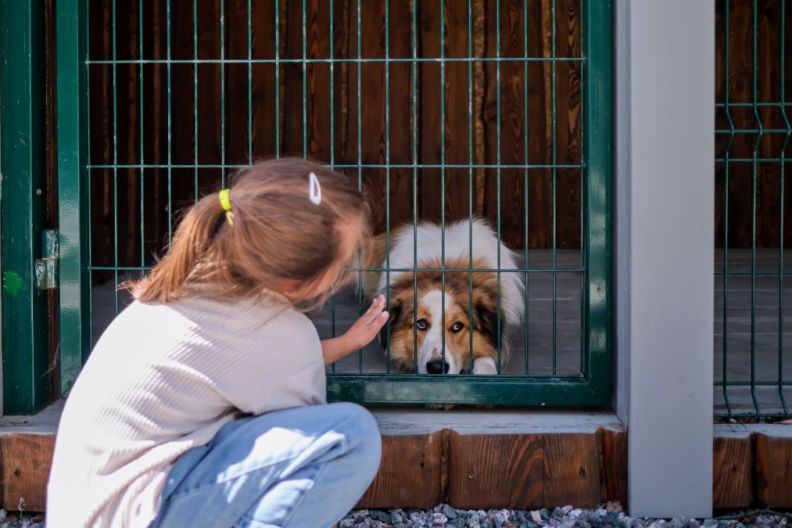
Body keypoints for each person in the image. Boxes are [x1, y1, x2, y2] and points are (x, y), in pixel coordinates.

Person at [47, 158, 387, 528]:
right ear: (295, 284)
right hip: (137, 511)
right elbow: (293, 419)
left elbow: (258, 367)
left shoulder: (188, 285)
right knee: (349, 435)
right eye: (342, 264)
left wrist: (345, 343)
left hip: (96, 508)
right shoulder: (282, 332)